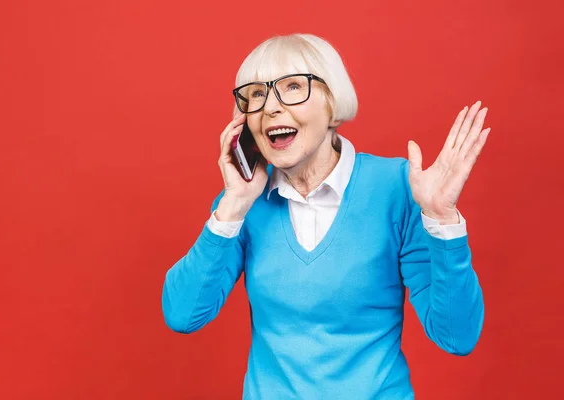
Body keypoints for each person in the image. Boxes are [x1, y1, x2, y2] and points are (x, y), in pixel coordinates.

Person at [162, 33, 488, 399]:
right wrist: (233, 206)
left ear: (332, 104)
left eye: (293, 87)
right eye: (256, 93)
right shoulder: (241, 205)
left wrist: (442, 219)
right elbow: (183, 314)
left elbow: (456, 336)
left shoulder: (398, 189)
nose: (270, 107)